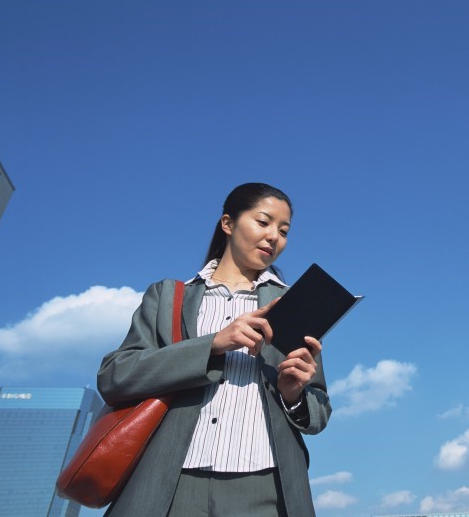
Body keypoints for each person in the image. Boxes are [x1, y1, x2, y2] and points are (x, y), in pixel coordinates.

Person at [97, 183, 330, 516]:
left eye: (283, 230)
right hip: (167, 483)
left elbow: (319, 410)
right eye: (263, 222)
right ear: (228, 224)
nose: (273, 237)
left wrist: (293, 395)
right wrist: (212, 345)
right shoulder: (167, 298)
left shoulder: (296, 305)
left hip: (265, 487)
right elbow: (113, 377)